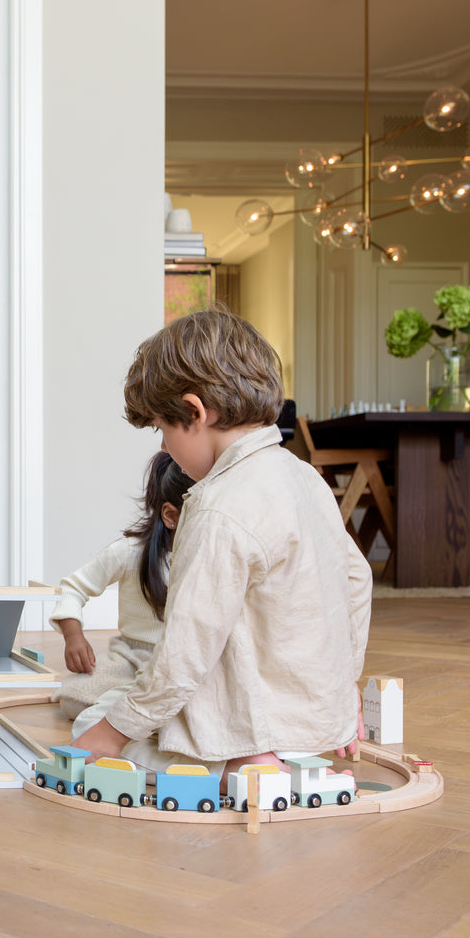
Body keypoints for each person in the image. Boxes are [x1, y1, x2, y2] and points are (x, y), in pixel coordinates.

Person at [71, 307, 371, 789]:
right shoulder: (304, 478)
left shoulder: (216, 505)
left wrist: (111, 733)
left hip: (248, 726)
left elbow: (186, 647)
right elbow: (356, 579)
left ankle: (243, 765)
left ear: (195, 412)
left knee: (93, 722)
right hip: (309, 719)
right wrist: (343, 683)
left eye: (162, 430)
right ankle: (272, 756)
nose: (164, 449)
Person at [50, 451, 193, 732]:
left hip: (181, 662)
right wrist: (73, 636)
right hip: (131, 658)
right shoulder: (129, 551)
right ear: (171, 516)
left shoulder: (212, 555)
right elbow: (73, 587)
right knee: (73, 698)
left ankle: (141, 710)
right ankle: (146, 711)